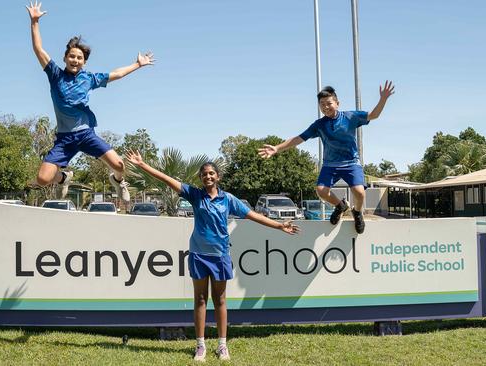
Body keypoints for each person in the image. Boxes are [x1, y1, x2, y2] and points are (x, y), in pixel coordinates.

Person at [125, 150, 299, 362]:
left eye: (211, 174)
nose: (208, 177)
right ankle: (200, 346)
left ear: (218, 177)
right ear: (201, 178)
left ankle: (222, 346)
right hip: (199, 255)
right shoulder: (195, 195)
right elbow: (167, 179)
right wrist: (142, 165)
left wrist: (279, 226)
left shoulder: (229, 199)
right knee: (200, 299)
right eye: (204, 174)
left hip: (220, 255)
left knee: (220, 300)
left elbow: (253, 215)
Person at [26, 1, 155, 202]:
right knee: (43, 179)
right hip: (64, 139)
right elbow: (38, 49)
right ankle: (63, 178)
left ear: (84, 62)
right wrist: (34, 22)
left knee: (120, 166)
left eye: (79, 57)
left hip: (86, 134)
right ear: (65, 58)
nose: (75, 60)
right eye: (72, 56)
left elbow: (117, 74)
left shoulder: (90, 79)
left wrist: (137, 64)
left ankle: (118, 181)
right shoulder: (55, 75)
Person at [258, 81, 395, 234]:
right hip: (330, 165)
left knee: (359, 192)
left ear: (337, 103)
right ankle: (341, 206)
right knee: (321, 190)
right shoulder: (319, 124)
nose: (325, 107)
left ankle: (357, 212)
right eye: (322, 104)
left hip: (351, 163)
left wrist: (383, 98)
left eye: (328, 103)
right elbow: (299, 138)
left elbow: (373, 115)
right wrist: (276, 148)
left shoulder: (350, 117)